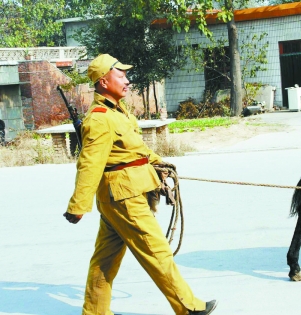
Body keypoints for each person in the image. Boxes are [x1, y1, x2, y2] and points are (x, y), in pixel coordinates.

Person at [63, 54, 217, 315]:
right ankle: (188, 307)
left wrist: (160, 163)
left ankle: (95, 312)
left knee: (105, 259)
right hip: (123, 196)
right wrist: (79, 204)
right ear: (103, 81)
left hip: (123, 194)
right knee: (156, 250)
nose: (127, 80)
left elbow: (135, 150)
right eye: (120, 75)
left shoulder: (117, 112)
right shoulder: (100, 118)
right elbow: (90, 163)